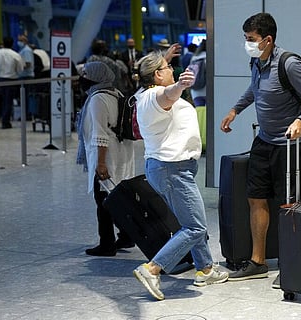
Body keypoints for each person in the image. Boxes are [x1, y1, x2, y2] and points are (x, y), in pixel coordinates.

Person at [219, 13, 301, 288]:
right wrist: (235, 110)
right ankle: (258, 262)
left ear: (268, 39)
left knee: (291, 206)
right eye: (245, 39)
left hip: (291, 146)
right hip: (265, 142)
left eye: (251, 39)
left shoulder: (289, 64)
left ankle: (292, 264)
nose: (247, 44)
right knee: (256, 198)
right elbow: (255, 90)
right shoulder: (257, 61)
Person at [131, 51, 228, 301]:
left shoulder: (145, 93)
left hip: (170, 168)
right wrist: (181, 84)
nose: (172, 69)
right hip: (172, 169)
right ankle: (152, 269)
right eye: (168, 66)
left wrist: (164, 59)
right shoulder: (154, 96)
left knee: (190, 221)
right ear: (157, 75)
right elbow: (167, 94)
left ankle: (205, 268)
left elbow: (162, 86)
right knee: (195, 226)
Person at [75, 61, 136, 257]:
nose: (82, 77)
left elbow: (100, 134)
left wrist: (101, 163)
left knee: (102, 200)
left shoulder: (97, 99)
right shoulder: (115, 94)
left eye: (86, 73)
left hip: (107, 156)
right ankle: (126, 235)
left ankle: (107, 244)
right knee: (116, 198)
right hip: (121, 153)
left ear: (96, 76)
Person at [0, 36, 24, 129]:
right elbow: (20, 69)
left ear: (3, 43)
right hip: (11, 79)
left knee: (0, 99)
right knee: (8, 101)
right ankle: (6, 121)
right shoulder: (16, 55)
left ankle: (1, 117)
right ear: (12, 44)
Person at [189, 39, 206, 106]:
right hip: (207, 90)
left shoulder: (194, 58)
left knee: (199, 112)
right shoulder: (210, 59)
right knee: (209, 114)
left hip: (195, 90)